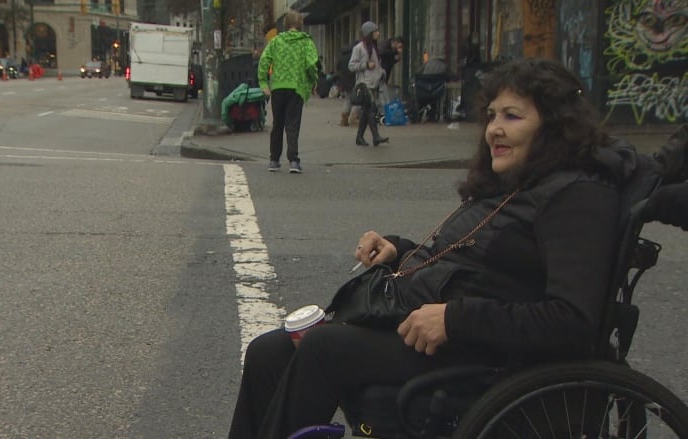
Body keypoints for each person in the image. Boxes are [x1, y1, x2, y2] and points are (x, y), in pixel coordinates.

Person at [228, 58, 645, 438]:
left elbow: (571, 320)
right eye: (492, 115)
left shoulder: (578, 196)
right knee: (271, 350)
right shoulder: (519, 180)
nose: (494, 129)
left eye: (512, 116)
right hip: (440, 327)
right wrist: (399, 249)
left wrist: (456, 320)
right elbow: (472, 258)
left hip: (487, 355)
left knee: (322, 350)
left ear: (554, 125)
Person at [257, 9, 319, 174]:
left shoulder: (276, 41)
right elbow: (312, 64)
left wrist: (263, 82)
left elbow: (264, 60)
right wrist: (313, 80)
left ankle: (274, 159)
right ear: (300, 25)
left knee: (277, 123)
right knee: (292, 124)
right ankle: (293, 160)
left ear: (285, 25)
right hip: (296, 88)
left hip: (277, 87)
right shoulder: (306, 42)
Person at [348, 21, 389, 146]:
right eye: (375, 31)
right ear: (369, 33)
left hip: (374, 83)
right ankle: (376, 136)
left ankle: (359, 137)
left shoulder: (375, 48)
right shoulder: (359, 48)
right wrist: (365, 65)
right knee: (371, 109)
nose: (378, 33)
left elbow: (377, 65)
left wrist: (381, 73)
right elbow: (351, 66)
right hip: (365, 84)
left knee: (367, 112)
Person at [377, 35, 404, 107]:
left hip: (386, 70)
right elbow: (382, 52)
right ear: (395, 43)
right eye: (399, 46)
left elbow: (391, 61)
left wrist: (396, 59)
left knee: (383, 90)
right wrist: (395, 52)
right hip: (379, 70)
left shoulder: (393, 51)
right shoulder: (385, 45)